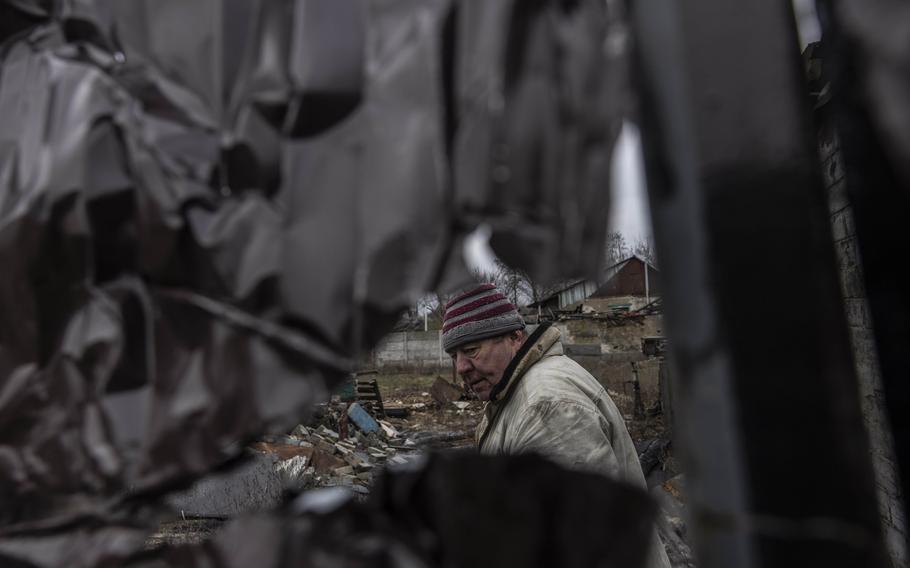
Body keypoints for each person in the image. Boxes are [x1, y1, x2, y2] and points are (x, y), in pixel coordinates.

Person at [442, 283, 671, 568]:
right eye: (454, 356)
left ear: (515, 337)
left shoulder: (545, 406)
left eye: (471, 350)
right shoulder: (517, 396)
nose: (461, 367)